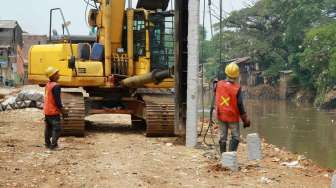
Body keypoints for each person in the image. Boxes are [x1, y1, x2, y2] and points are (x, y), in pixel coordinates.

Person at [213, 62, 251, 154]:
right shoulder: (237, 88)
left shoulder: (218, 84)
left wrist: (216, 82)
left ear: (226, 73)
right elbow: (240, 105)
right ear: (237, 76)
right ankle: (230, 157)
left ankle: (223, 157)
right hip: (232, 117)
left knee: (223, 137)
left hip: (221, 115)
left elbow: (215, 90)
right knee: (235, 137)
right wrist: (245, 120)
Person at [43, 67, 68, 149]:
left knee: (48, 128)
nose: (59, 75)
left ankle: (47, 144)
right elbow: (58, 102)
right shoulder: (56, 86)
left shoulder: (48, 84)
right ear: (53, 75)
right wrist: (63, 111)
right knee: (57, 129)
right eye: (57, 73)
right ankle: (53, 146)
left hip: (47, 110)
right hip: (53, 111)